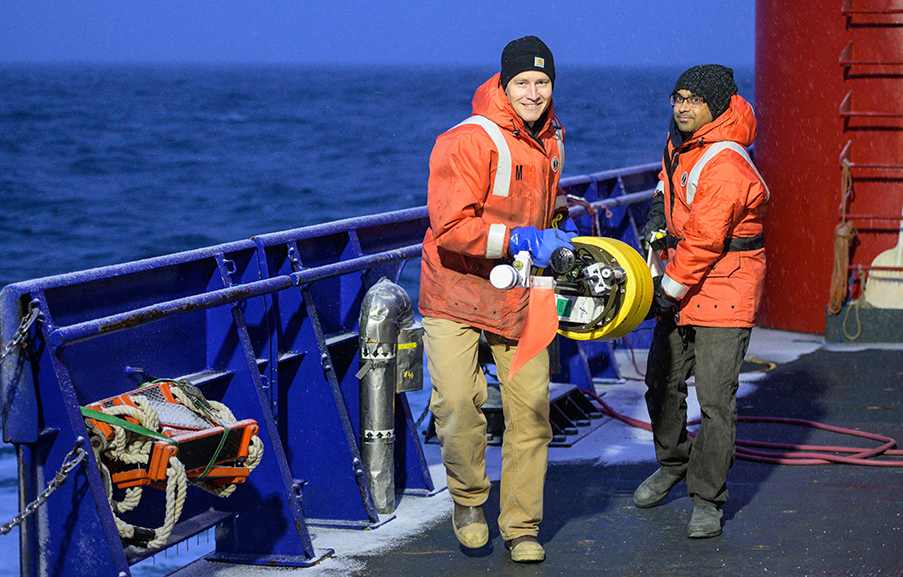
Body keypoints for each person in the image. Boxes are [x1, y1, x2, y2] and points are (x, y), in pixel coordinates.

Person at [418, 35, 576, 563]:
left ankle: (522, 526)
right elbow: (451, 228)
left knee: (531, 414)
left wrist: (557, 220)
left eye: (543, 82)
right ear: (504, 85)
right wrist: (521, 239)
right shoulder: (463, 141)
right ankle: (467, 501)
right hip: (455, 292)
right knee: (458, 407)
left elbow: (539, 205)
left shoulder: (552, 139)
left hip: (522, 295)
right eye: (523, 83)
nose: (534, 93)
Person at [636, 64, 769, 538]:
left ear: (715, 105)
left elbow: (706, 242)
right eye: (678, 98)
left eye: (693, 99)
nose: (682, 107)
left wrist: (662, 294)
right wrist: (655, 220)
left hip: (725, 288)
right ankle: (673, 461)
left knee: (714, 400)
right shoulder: (679, 143)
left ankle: (707, 498)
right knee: (660, 382)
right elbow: (664, 189)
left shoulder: (728, 163)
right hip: (684, 278)